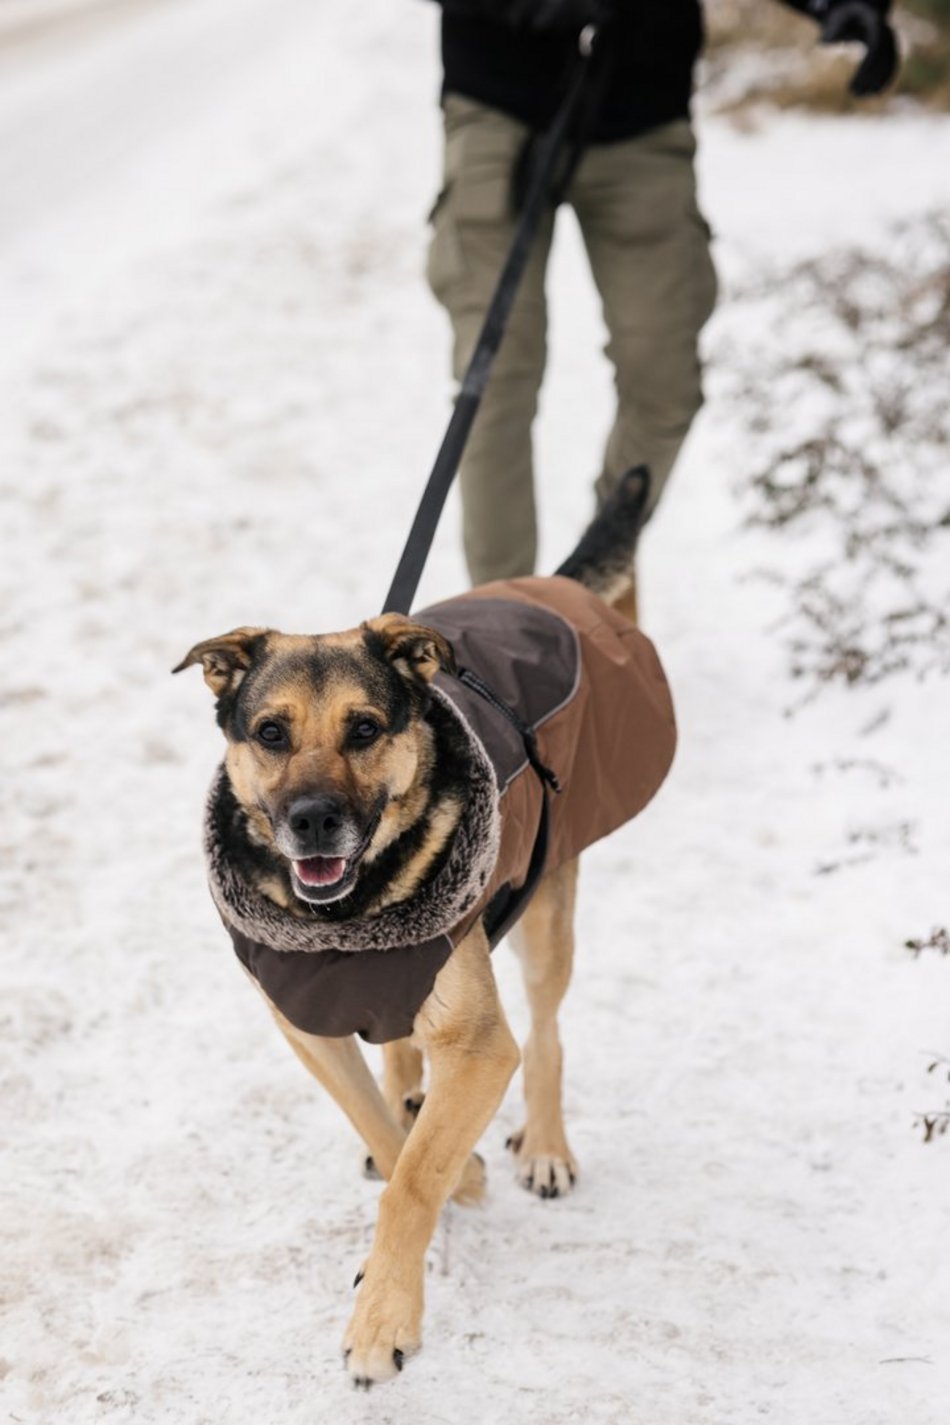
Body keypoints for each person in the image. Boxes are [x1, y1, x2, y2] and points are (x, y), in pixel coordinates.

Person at [424, 0, 898, 598]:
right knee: (494, 382)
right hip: (499, 109)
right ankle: (500, 636)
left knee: (664, 381)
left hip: (643, 112)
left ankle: (591, 590)